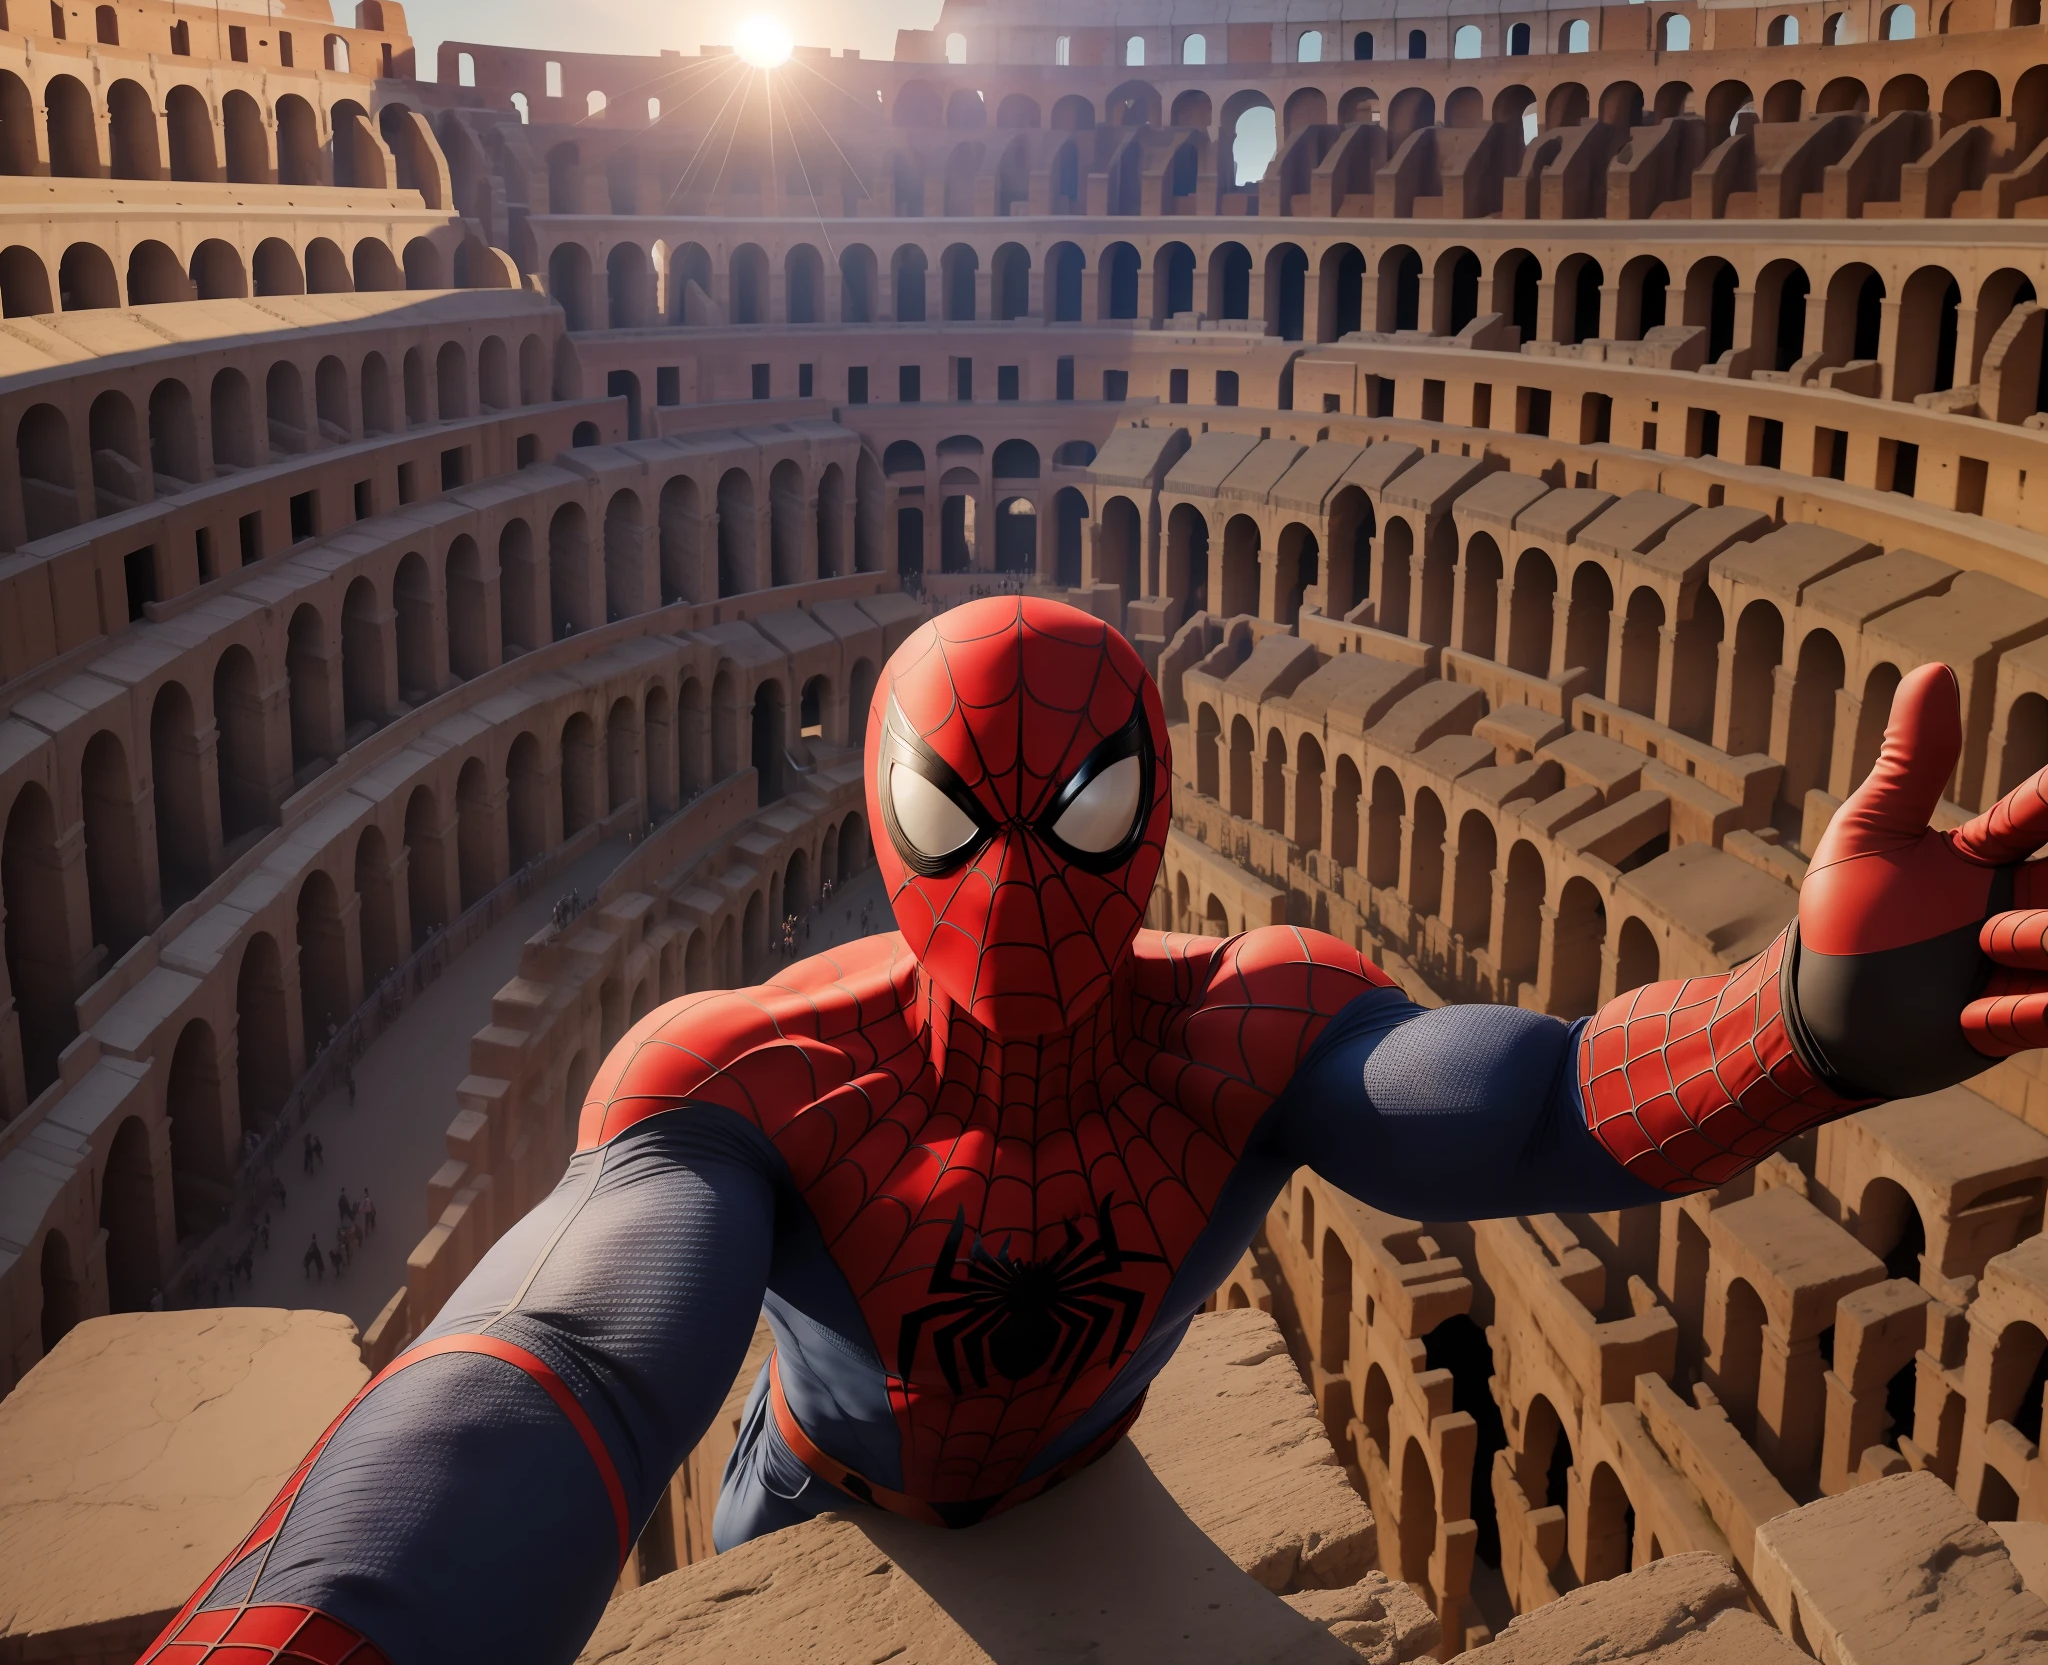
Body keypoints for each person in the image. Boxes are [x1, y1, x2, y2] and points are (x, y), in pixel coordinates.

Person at [142, 602, 2048, 1665]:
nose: (1023, 878)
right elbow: (554, 1365)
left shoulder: (1254, 1025)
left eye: (1082, 807)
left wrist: (1796, 1025)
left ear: (1149, 814)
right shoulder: (742, 1072)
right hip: (815, 1490)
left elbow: (1528, 1103)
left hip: (1081, 1466)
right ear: (887, 829)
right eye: (964, 820)